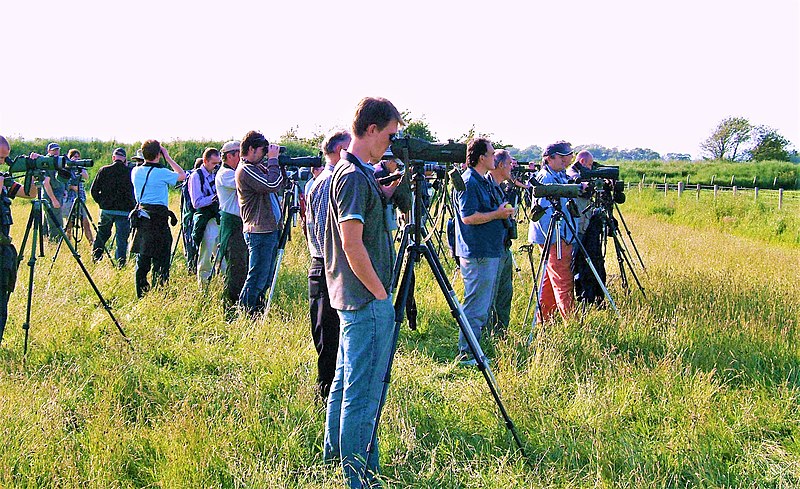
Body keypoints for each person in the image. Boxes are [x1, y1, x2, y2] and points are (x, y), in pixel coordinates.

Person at [323, 97, 402, 488]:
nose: (391, 142)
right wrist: (381, 295)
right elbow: (352, 243)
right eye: (389, 134)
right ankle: (359, 476)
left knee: (344, 381)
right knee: (363, 393)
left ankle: (333, 458)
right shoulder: (353, 176)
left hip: (349, 295)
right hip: (364, 299)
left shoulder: (349, 170)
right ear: (371, 130)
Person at [452, 138, 514, 365]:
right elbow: (468, 217)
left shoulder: (482, 181)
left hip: (488, 250)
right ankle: (467, 352)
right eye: (490, 154)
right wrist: (497, 215)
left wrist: (501, 212)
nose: (494, 158)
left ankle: (474, 348)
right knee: (475, 305)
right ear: (481, 158)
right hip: (477, 252)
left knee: (482, 304)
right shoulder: (469, 182)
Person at [305, 129, 351, 402]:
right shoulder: (329, 182)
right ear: (336, 151)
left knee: (335, 337)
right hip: (328, 266)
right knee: (330, 339)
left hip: (329, 266)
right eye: (348, 148)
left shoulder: (329, 179)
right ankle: (327, 399)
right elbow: (324, 234)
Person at [0, 136, 57, 343]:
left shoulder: (3, 179)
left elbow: (29, 194)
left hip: (3, 248)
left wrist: (33, 173)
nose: (2, 162)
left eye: (5, 158)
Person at [235, 131, 285, 315]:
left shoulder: (257, 168)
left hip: (268, 230)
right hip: (258, 231)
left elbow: (279, 183)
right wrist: (273, 161)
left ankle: (256, 312)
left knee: (265, 277)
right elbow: (271, 185)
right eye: (263, 151)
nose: (265, 154)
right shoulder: (245, 169)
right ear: (251, 149)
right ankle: (245, 314)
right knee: (256, 278)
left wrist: (279, 164)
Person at [130, 140, 185, 298]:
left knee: (143, 257)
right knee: (161, 258)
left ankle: (141, 293)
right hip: (158, 219)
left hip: (142, 217)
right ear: (158, 154)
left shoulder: (135, 171)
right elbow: (182, 175)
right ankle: (160, 291)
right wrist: (168, 157)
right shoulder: (162, 173)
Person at [531, 141, 578, 322]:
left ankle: (544, 320)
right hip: (554, 237)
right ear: (550, 158)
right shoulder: (545, 179)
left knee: (551, 281)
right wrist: (559, 238)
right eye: (562, 156)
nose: (566, 159)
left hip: (561, 235)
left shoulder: (559, 175)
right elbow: (543, 215)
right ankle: (571, 322)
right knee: (563, 279)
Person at [567, 150, 607, 305]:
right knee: (575, 262)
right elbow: (580, 190)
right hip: (577, 225)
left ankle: (587, 293)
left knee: (585, 260)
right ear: (582, 162)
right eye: (589, 165)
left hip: (584, 223)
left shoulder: (581, 174)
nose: (591, 168)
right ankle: (576, 296)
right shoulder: (573, 175)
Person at [486, 149, 518, 336]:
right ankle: (486, 336)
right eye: (509, 164)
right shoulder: (487, 186)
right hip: (493, 249)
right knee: (491, 295)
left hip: (504, 247)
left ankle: (500, 334)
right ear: (500, 165)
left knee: (505, 294)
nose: (512, 168)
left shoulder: (499, 187)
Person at [214, 140, 247, 316]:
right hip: (233, 224)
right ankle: (230, 307)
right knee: (235, 268)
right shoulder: (225, 174)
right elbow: (245, 182)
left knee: (242, 266)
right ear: (231, 156)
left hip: (238, 224)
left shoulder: (230, 172)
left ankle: (239, 304)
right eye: (239, 155)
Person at [90, 147, 136, 267]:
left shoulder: (104, 170)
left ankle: (96, 257)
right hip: (124, 211)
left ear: (113, 158)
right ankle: (120, 263)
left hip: (107, 210)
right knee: (121, 239)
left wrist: (102, 203)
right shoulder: (130, 172)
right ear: (125, 159)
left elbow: (94, 190)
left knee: (102, 234)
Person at [188, 147, 221, 286]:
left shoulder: (215, 173)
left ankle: (224, 283)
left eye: (218, 163)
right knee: (206, 254)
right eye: (214, 163)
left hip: (217, 217)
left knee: (221, 253)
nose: (216, 166)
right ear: (206, 161)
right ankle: (203, 286)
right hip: (205, 218)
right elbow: (196, 202)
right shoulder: (196, 176)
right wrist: (214, 198)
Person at [33, 142, 67, 240]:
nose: (56, 152)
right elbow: (46, 183)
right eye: (54, 150)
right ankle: (55, 241)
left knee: (48, 218)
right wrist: (53, 199)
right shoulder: (46, 162)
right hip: (51, 195)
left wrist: (64, 189)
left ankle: (46, 239)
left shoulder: (58, 161)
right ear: (48, 151)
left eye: (57, 150)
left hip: (58, 193)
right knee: (56, 221)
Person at [63, 148, 94, 244]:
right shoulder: (66, 168)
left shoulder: (80, 168)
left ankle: (91, 242)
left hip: (80, 198)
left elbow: (86, 177)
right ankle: (69, 243)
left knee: (85, 222)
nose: (76, 159)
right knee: (69, 224)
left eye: (78, 157)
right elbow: (63, 183)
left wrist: (80, 166)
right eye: (74, 157)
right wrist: (72, 187)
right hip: (70, 198)